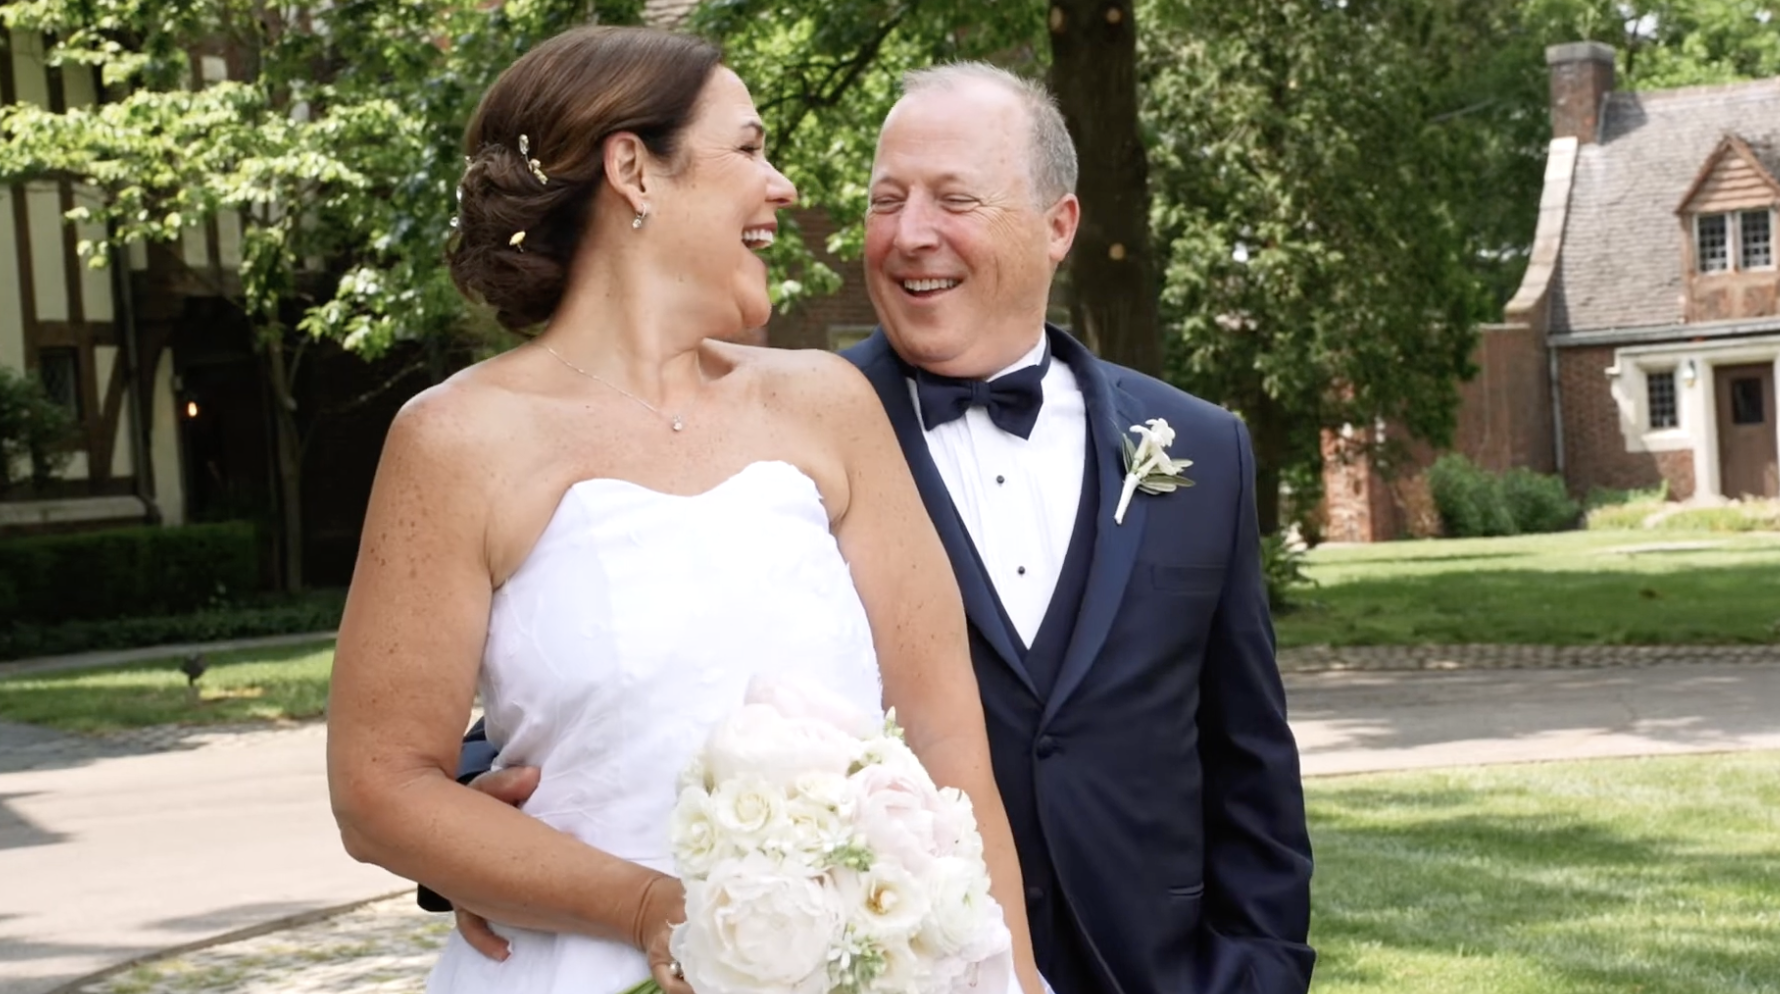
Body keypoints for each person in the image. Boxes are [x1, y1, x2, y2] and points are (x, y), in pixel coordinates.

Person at [441, 60, 1315, 994]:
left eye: (954, 200)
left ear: (1059, 226)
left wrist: (1259, 971)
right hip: (883, 960)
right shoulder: (787, 424)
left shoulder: (1198, 448)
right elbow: (640, 641)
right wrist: (474, 826)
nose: (909, 237)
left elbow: (1246, 759)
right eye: (885, 200)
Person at [325, 27, 1042, 994]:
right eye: (748, 149)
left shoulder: (827, 405)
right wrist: (644, 908)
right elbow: (379, 791)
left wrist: (1015, 977)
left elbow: (952, 745)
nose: (781, 185)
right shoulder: (457, 440)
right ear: (634, 170)